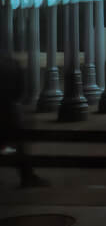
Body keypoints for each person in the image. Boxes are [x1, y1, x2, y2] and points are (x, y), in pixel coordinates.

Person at [0, 53, 48, 188]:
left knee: (11, 146)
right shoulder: (11, 63)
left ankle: (27, 175)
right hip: (8, 112)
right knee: (18, 146)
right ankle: (27, 176)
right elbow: (19, 92)